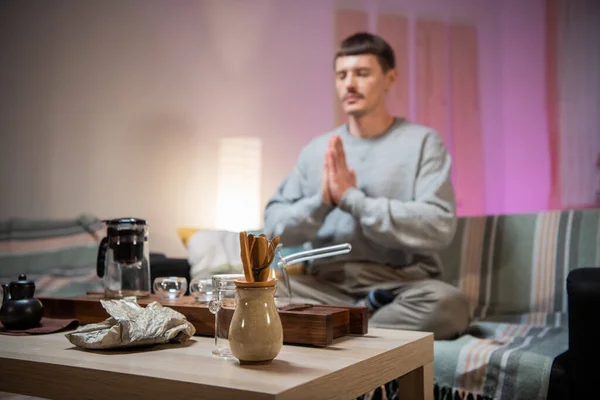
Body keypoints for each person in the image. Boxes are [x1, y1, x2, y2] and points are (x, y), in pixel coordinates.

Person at [263, 32, 470, 340]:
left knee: (448, 305)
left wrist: (352, 199)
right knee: (259, 295)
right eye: (342, 75)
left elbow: (438, 225)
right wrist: (323, 201)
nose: (349, 84)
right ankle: (358, 324)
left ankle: (341, 327)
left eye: (362, 73)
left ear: (389, 78)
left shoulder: (423, 142)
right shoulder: (316, 150)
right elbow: (273, 230)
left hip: (399, 287)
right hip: (326, 287)